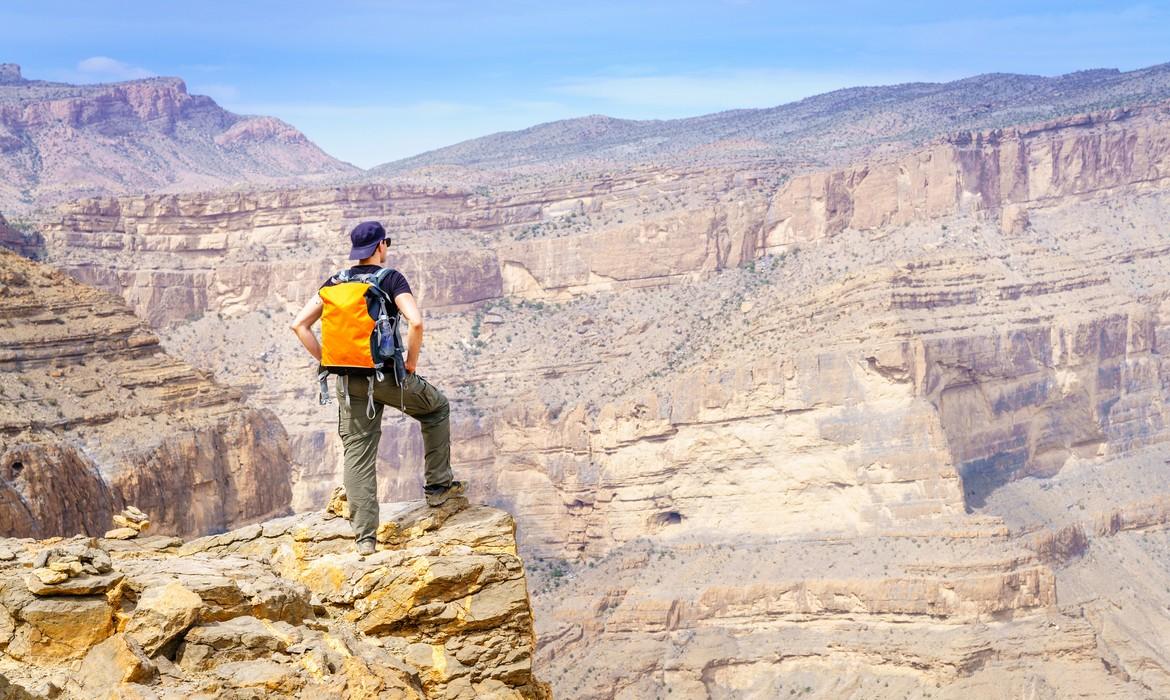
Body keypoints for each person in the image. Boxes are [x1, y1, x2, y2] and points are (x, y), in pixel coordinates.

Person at [290, 221, 463, 555]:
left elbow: (299, 324)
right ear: (381, 246)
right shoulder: (391, 278)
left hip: (348, 381)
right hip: (388, 377)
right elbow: (416, 321)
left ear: (356, 250)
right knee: (436, 408)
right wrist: (410, 363)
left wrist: (327, 361)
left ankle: (365, 539)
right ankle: (439, 487)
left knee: (358, 454)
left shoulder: (335, 281)